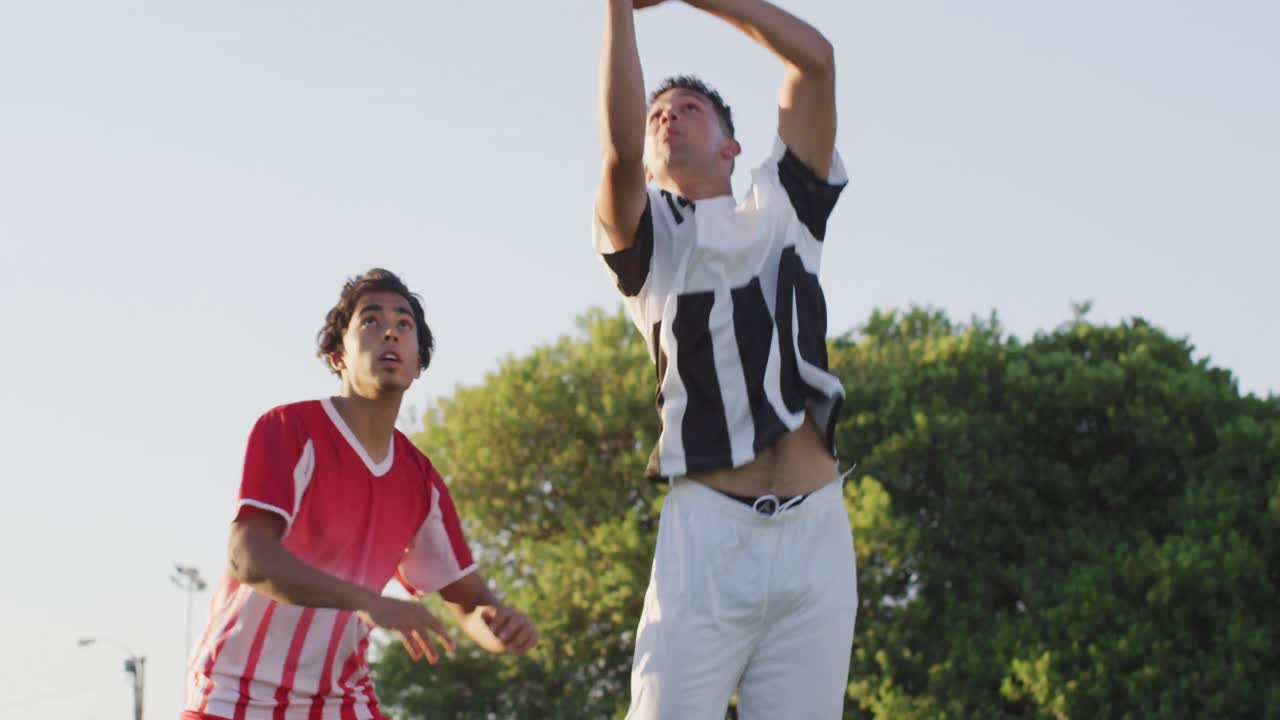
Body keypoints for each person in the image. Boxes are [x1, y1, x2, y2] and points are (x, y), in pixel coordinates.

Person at [594, 1, 857, 717]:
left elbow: (816, 61)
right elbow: (618, 153)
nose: (667, 118)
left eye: (689, 108)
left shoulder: (785, 207)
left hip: (815, 536)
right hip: (707, 540)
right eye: (657, 114)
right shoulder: (653, 243)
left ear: (731, 147)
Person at [182, 268, 537, 720]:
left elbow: (469, 604)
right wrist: (370, 602)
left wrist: (501, 628)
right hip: (236, 698)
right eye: (371, 320)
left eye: (404, 323)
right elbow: (247, 558)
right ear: (338, 355)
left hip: (341, 703)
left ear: (418, 363)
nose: (390, 331)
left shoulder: (420, 482)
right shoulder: (290, 429)